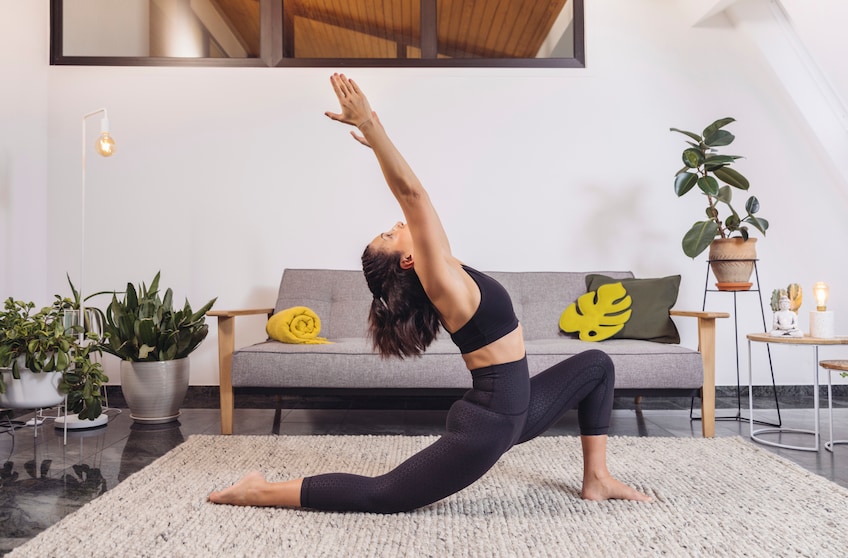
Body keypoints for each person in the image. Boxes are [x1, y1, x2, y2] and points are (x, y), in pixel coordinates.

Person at [208, 73, 650, 512]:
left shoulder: (446, 266)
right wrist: (370, 125)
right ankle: (258, 491)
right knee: (384, 496)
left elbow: (416, 197)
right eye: (388, 233)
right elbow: (413, 195)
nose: (397, 224)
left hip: (521, 410)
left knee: (597, 365)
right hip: (491, 423)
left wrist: (381, 148)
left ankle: (596, 479)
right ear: (407, 262)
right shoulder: (439, 279)